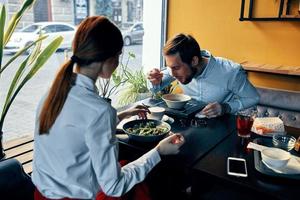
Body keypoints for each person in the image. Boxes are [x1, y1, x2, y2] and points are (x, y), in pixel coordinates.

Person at [32, 16, 184, 200]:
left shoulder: (52, 93)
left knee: (126, 163)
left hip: (41, 194)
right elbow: (114, 187)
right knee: (152, 180)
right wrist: (159, 151)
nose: (118, 63)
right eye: (119, 55)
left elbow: (78, 131)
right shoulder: (98, 111)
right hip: (77, 196)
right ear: (107, 58)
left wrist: (121, 115)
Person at [148, 33, 259, 118]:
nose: (171, 73)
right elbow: (154, 89)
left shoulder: (231, 72)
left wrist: (225, 107)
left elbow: (253, 98)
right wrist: (154, 81)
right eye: (169, 67)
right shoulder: (176, 67)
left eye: (176, 68)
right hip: (189, 126)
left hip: (222, 127)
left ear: (194, 61)